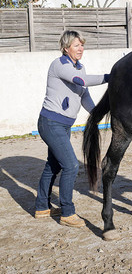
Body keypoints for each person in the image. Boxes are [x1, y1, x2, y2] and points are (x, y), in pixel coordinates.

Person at [35, 30, 109, 227]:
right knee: (71, 165)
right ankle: (67, 213)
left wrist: (96, 115)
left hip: (63, 124)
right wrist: (111, 76)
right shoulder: (59, 65)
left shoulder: (79, 66)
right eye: (76, 45)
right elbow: (82, 81)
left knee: (54, 165)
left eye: (82, 45)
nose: (81, 49)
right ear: (66, 48)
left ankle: (42, 206)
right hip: (50, 123)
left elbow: (83, 94)